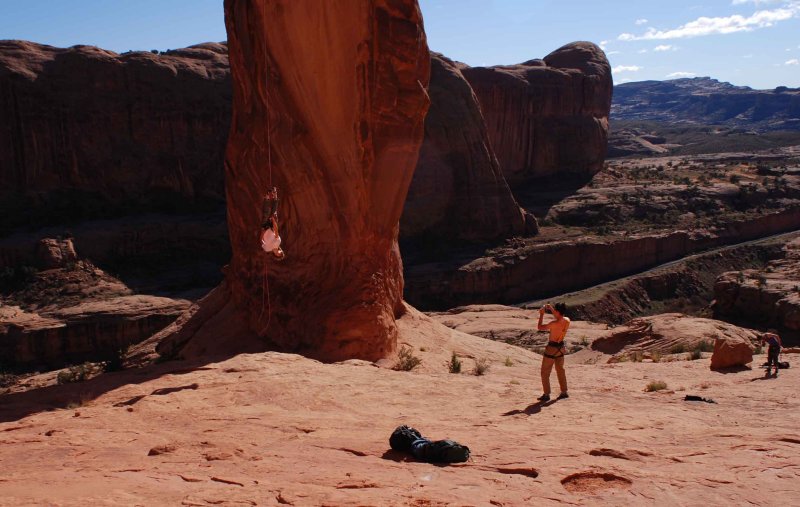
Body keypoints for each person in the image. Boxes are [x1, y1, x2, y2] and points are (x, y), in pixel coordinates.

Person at [537, 302, 570, 402]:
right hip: (561, 348)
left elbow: (540, 327)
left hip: (551, 349)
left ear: (557, 311)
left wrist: (542, 314)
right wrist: (551, 308)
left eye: (555, 310)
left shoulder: (553, 324)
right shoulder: (567, 320)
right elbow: (558, 315)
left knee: (545, 372)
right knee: (560, 370)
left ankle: (546, 394)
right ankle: (564, 392)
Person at [261, 188, 285, 260]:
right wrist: (274, 221)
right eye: (281, 252)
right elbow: (276, 231)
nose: (279, 252)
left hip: (264, 227)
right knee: (274, 213)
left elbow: (261, 241)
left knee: (266, 213)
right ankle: (275, 195)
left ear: (276, 254)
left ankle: (267, 197)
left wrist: (263, 232)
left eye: (278, 254)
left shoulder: (267, 249)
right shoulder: (278, 242)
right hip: (271, 227)